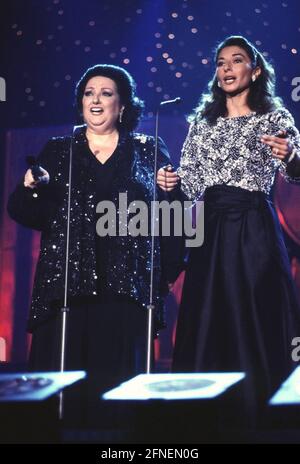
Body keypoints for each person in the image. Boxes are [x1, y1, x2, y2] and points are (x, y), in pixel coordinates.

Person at [7, 64, 178, 426]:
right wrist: (30, 187)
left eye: (106, 93)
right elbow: (23, 211)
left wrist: (171, 190)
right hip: (67, 288)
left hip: (127, 292)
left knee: (119, 397)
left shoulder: (149, 148)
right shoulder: (58, 150)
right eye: (88, 93)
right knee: (64, 396)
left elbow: (173, 215)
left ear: (123, 104)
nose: (96, 100)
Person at [157, 36, 300, 423]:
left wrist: (291, 155)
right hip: (212, 229)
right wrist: (170, 182)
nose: (227, 68)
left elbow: (296, 172)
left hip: (254, 225)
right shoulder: (203, 123)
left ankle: (262, 408)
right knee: (208, 312)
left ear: (254, 70)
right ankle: (206, 415)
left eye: (236, 61)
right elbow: (189, 183)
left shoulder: (275, 118)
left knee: (255, 306)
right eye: (221, 62)